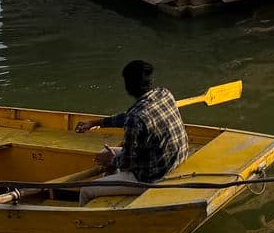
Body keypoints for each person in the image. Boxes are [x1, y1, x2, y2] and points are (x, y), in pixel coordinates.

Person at [76, 60, 189, 189]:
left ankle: (108, 192)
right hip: (177, 159)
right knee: (106, 153)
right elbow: (129, 117)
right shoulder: (164, 94)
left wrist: (111, 160)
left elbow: (127, 162)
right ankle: (112, 185)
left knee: (86, 189)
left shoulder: (135, 118)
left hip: (152, 177)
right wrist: (96, 123)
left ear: (128, 86)